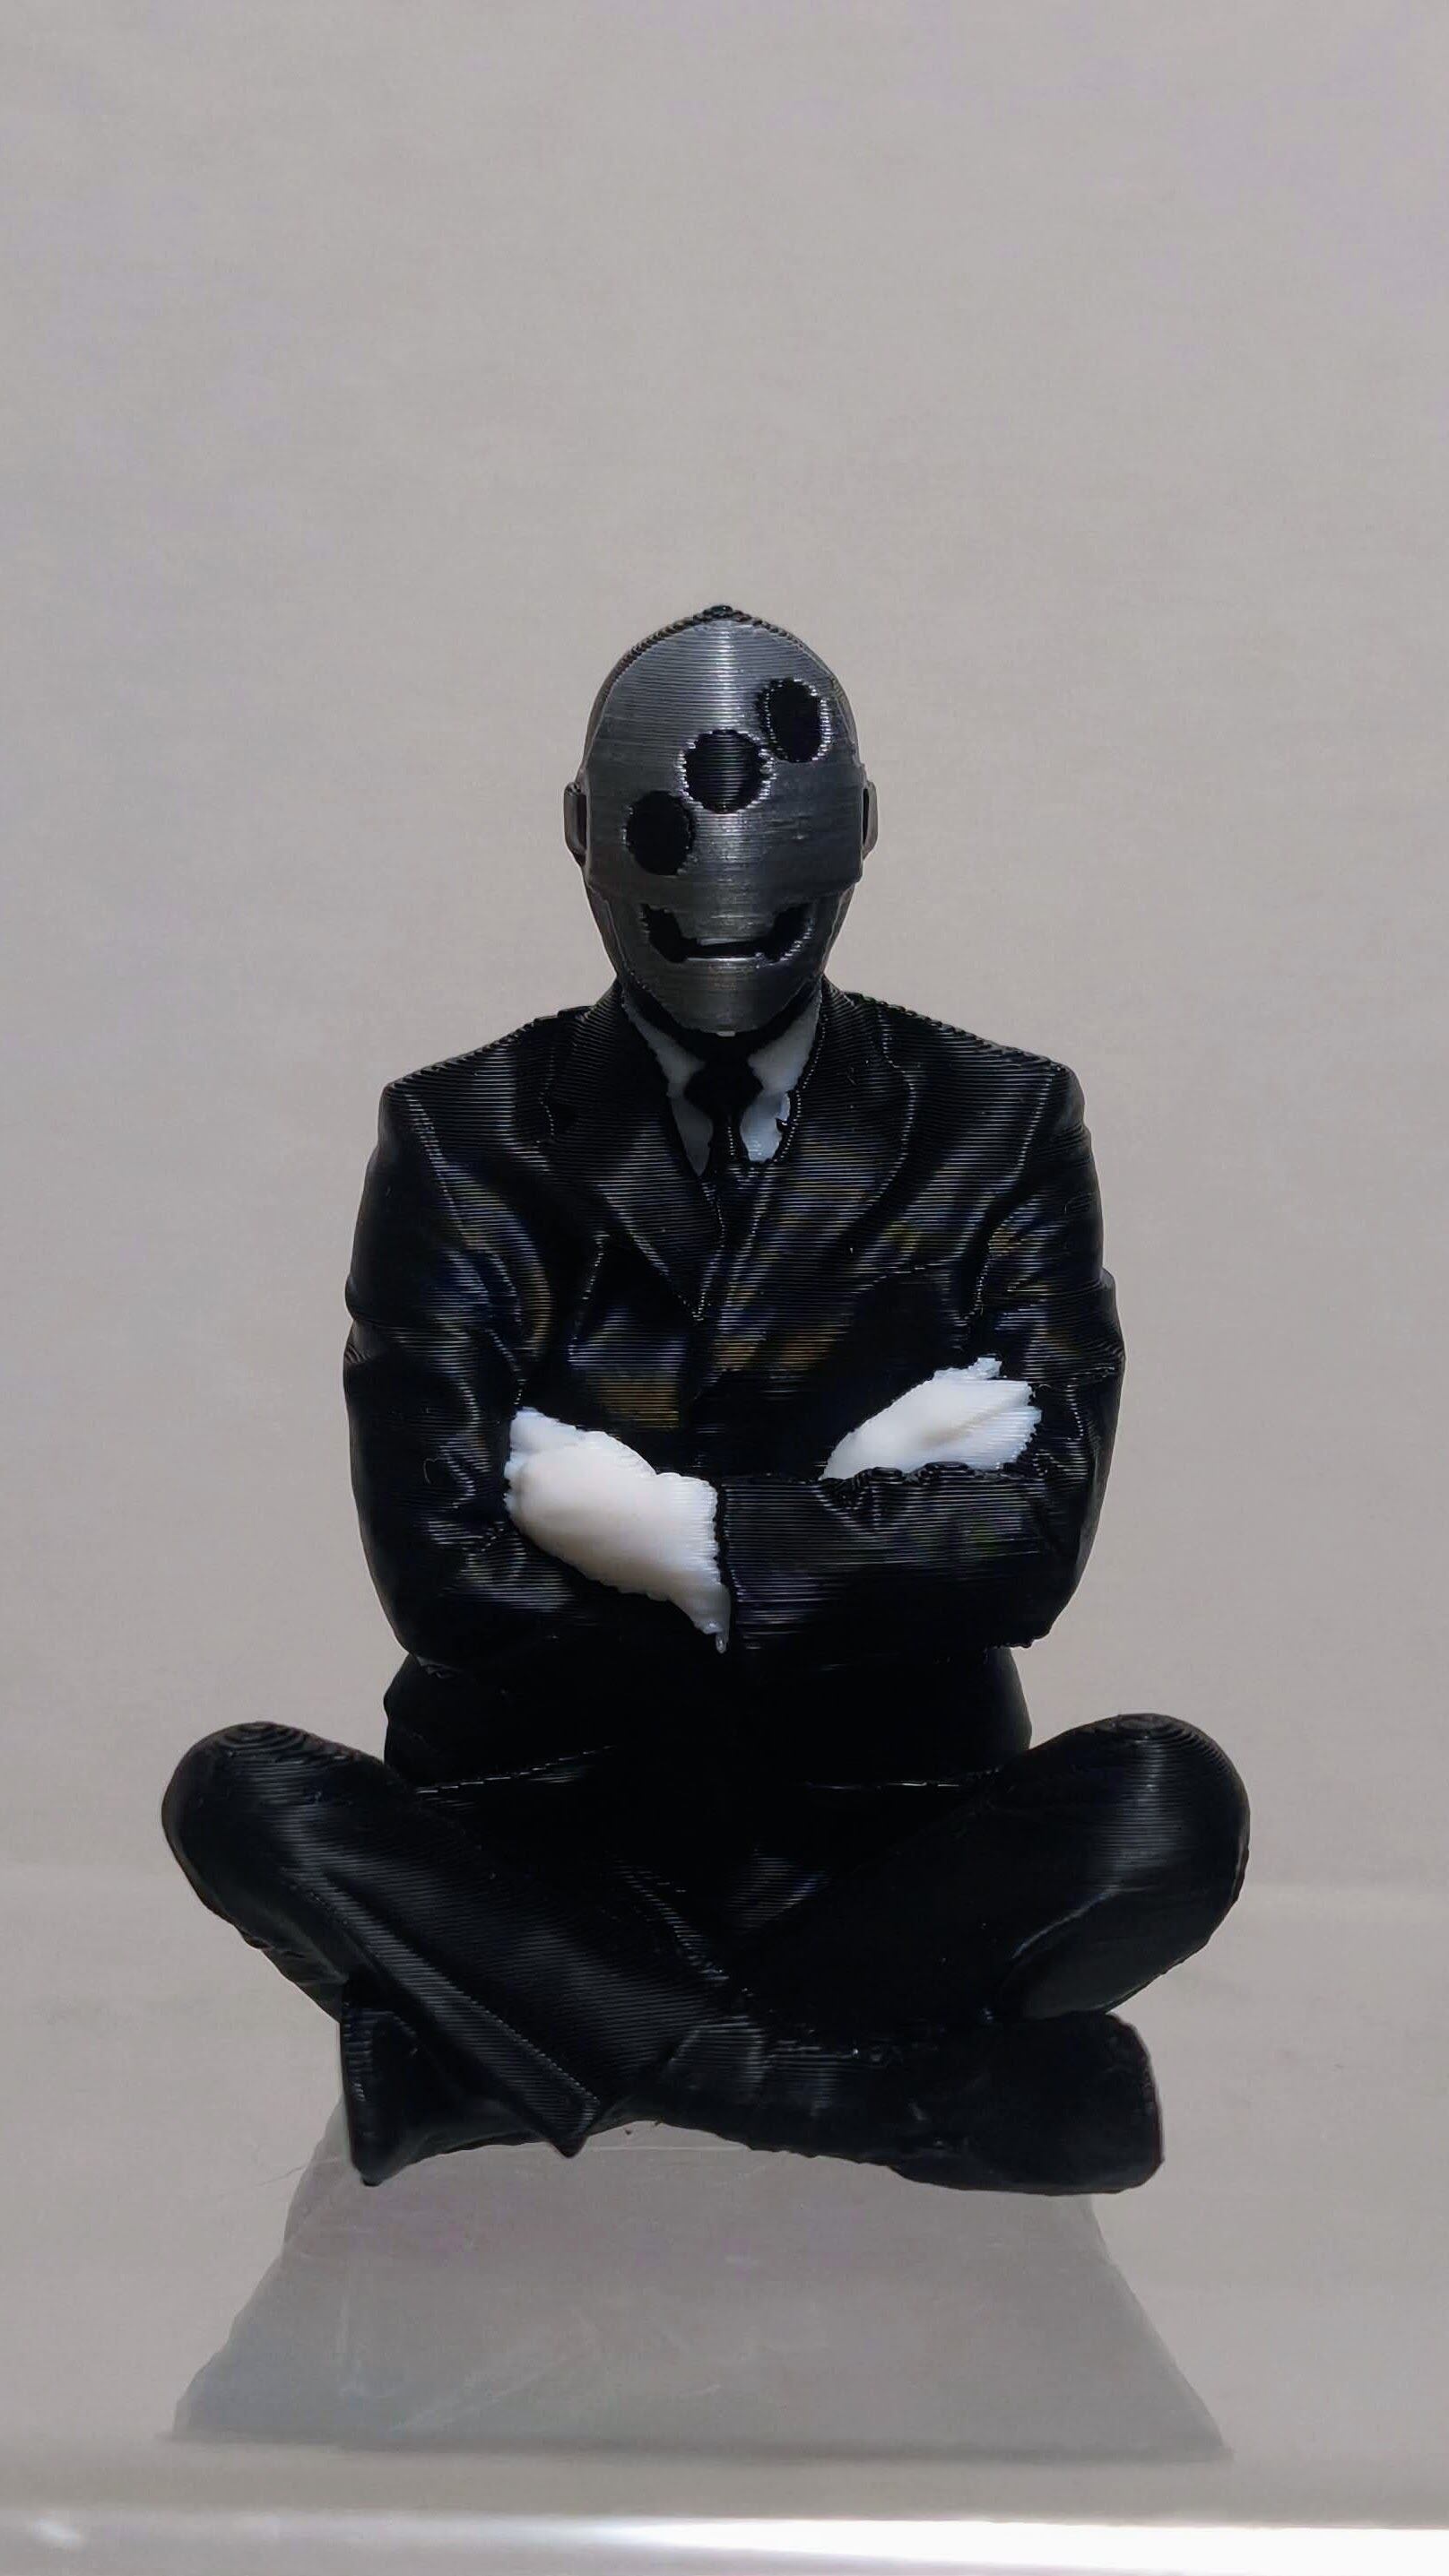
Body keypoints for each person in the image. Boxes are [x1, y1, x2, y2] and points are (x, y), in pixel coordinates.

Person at [163, 606, 1248, 2192]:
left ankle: (500, 2050)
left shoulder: (1001, 1120)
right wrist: (853, 1508)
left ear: (861, 827)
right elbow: (444, 1573)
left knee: (1170, 1798)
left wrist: (678, 1532)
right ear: (580, 832)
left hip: (881, 1844)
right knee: (243, 1795)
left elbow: (1027, 1544)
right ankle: (849, 2093)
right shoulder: (463, 1136)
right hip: (543, 1848)